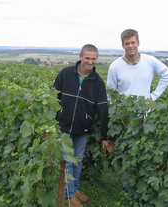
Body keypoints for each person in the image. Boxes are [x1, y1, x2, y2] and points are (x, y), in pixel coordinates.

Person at [53, 44, 114, 207]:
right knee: (66, 160)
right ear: (80, 57)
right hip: (64, 126)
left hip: (82, 127)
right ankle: (69, 195)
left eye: (93, 58)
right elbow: (54, 97)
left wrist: (105, 136)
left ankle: (76, 188)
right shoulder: (65, 73)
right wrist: (52, 121)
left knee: (78, 160)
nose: (90, 61)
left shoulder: (97, 82)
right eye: (87, 58)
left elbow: (102, 108)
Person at [107, 29, 168, 101]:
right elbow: (110, 92)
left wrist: (154, 95)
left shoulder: (150, 60)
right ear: (123, 45)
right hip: (122, 111)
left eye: (133, 42)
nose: (130, 46)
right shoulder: (115, 66)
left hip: (145, 111)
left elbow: (167, 74)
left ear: (138, 43)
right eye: (127, 43)